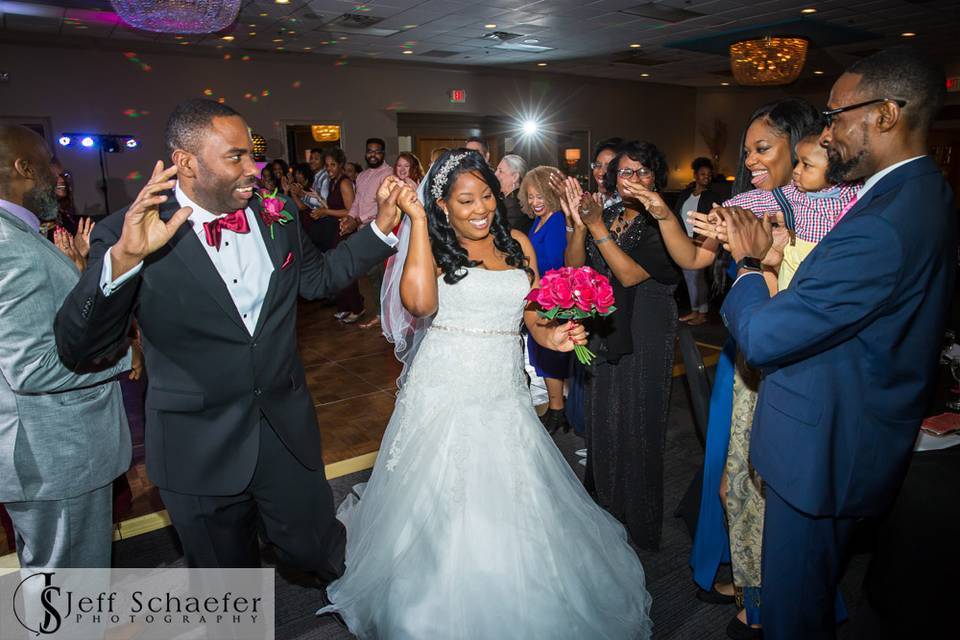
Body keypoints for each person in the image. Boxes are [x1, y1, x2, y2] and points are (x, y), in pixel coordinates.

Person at [54, 99, 401, 575]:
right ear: (185, 162)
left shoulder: (275, 214)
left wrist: (381, 227)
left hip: (285, 429)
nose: (253, 169)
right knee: (227, 585)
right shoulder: (126, 234)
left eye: (251, 155)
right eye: (235, 156)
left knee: (317, 552)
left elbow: (319, 279)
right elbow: (81, 347)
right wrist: (122, 263)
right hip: (198, 446)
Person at [317, 151, 652, 639]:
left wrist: (552, 337)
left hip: (502, 387)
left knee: (512, 490)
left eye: (487, 197)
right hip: (447, 383)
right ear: (444, 205)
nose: (480, 209)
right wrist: (416, 222)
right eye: (466, 200)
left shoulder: (516, 242)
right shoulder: (432, 242)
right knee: (445, 496)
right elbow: (419, 303)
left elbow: (533, 312)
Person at [716, 48, 954, 640]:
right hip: (860, 425)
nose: (829, 130)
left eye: (837, 114)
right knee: (815, 594)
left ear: (886, 114)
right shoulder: (925, 193)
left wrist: (747, 265)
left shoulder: (882, 219)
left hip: (822, 447)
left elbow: (766, 336)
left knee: (794, 613)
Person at [0, 125, 133, 569]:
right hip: (53, 456)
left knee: (49, 579)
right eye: (49, 163)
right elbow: (33, 368)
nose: (58, 173)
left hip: (37, 451)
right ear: (23, 167)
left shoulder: (17, 234)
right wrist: (124, 354)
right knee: (70, 587)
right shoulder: (10, 246)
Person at [562, 141, 681, 551]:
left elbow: (630, 276)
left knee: (639, 422)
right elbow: (576, 267)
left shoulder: (661, 221)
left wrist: (595, 227)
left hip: (646, 325)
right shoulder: (609, 214)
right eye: (625, 172)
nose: (633, 179)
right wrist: (581, 224)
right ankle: (604, 509)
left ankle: (638, 524)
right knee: (604, 418)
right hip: (607, 322)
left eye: (642, 172)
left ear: (655, 177)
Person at [520, 166, 569, 432]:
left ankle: (558, 410)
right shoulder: (537, 221)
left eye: (540, 196)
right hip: (540, 294)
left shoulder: (557, 220)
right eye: (530, 196)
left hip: (554, 296)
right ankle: (556, 408)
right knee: (541, 353)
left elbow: (555, 262)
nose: (535, 202)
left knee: (551, 356)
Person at [342, 137, 393, 329]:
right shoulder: (362, 176)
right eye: (369, 151)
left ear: (383, 153)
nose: (373, 154)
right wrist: (349, 218)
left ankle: (387, 317)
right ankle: (382, 314)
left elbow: (384, 206)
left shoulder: (389, 175)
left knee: (382, 275)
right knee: (372, 276)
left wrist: (358, 220)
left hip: (380, 232)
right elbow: (356, 203)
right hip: (364, 232)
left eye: (377, 151)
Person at [672, 157, 721, 325]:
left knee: (696, 278)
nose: (706, 177)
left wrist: (697, 240)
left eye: (709, 175)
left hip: (701, 242)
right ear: (695, 175)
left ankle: (701, 313)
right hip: (684, 241)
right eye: (702, 174)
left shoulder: (712, 197)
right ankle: (696, 312)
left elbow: (713, 222)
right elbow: (677, 215)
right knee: (691, 278)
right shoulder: (686, 194)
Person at [495, 153, 530, 233]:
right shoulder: (505, 198)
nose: (495, 174)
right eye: (496, 170)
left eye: (500, 171)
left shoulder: (516, 207)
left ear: (515, 177)